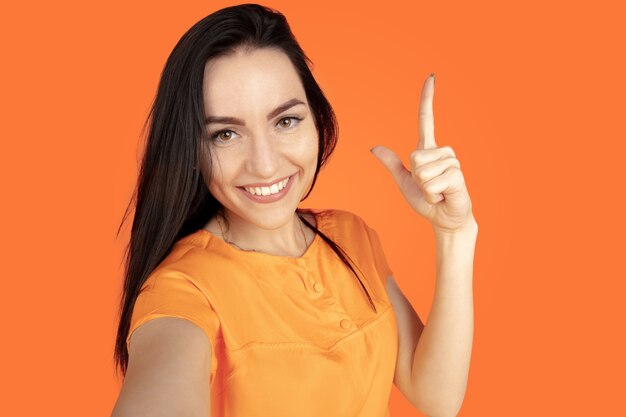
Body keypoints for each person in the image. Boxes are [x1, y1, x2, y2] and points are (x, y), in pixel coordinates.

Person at [111, 3, 477, 417]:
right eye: (226, 134)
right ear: (193, 150)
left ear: (317, 120)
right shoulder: (183, 288)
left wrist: (455, 235)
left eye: (285, 121)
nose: (265, 164)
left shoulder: (350, 236)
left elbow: (437, 396)